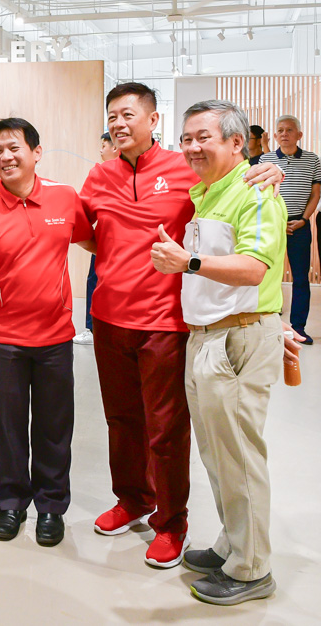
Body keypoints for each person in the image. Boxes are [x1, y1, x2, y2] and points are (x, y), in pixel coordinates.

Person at [80, 82, 284, 568]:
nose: (118, 123)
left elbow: (235, 192)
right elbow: (87, 233)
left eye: (128, 114)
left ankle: (171, 522)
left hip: (167, 321)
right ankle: (133, 498)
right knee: (121, 422)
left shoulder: (188, 170)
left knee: (166, 429)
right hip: (109, 318)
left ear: (154, 120)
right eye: (112, 116)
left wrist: (268, 168)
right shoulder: (99, 175)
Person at [151, 99, 286, 605]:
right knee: (217, 453)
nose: (191, 147)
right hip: (207, 337)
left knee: (239, 456)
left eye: (202, 137)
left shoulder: (254, 190)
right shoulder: (208, 191)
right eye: (186, 138)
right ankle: (234, 545)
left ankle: (252, 570)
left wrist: (188, 261)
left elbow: (254, 268)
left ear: (236, 142)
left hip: (237, 338)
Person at [0, 118, 92, 547]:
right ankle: (12, 503)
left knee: (54, 427)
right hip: (5, 338)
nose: (5, 156)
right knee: (8, 427)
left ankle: (51, 507)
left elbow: (92, 240)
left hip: (55, 335)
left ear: (36, 152)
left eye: (13, 147)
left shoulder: (64, 198)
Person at [259, 115, 320, 344]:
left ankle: (299, 329)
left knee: (301, 278)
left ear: (299, 135)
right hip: (272, 225)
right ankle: (268, 327)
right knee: (266, 276)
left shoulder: (313, 160)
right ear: (275, 135)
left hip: (300, 226)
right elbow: (260, 192)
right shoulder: (265, 159)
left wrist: (303, 219)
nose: (284, 134)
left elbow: (315, 194)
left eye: (290, 130)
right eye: (281, 130)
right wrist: (277, 220)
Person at [73, 132, 118, 346]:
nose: (101, 150)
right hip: (104, 242)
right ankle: (91, 328)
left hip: (123, 246)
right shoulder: (99, 173)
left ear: (115, 147)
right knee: (94, 280)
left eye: (104, 145)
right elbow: (81, 217)